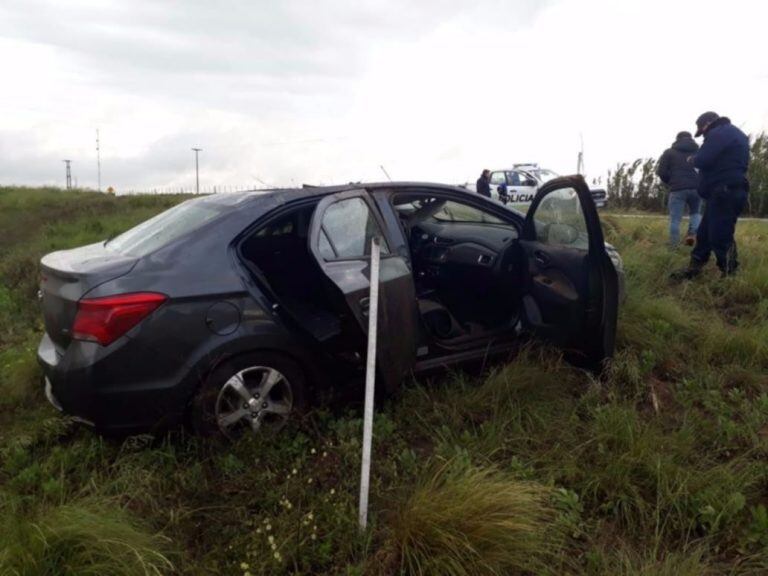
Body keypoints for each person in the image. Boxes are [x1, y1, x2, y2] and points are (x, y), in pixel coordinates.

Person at [672, 112, 750, 280]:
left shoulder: (719, 132)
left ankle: (731, 274)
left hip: (725, 191)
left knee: (719, 234)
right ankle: (694, 268)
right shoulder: (733, 133)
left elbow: (704, 159)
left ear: (708, 123)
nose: (703, 135)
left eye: (702, 131)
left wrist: (693, 159)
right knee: (705, 233)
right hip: (725, 191)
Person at [656, 131, 701, 247]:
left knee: (675, 219)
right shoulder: (699, 151)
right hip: (697, 188)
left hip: (678, 188)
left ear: (677, 139)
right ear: (691, 139)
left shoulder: (669, 152)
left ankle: (674, 246)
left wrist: (670, 182)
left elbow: (661, 172)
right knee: (696, 213)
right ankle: (691, 235)